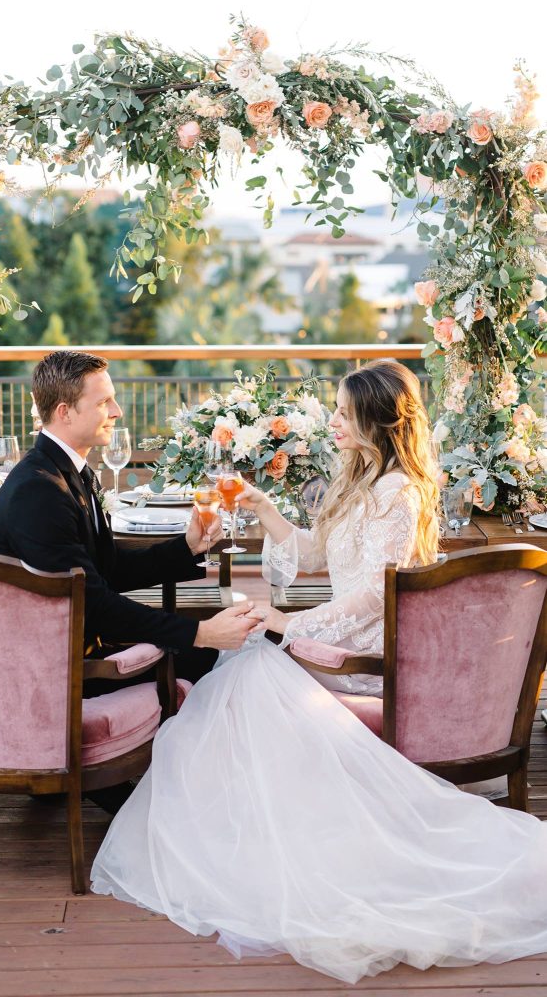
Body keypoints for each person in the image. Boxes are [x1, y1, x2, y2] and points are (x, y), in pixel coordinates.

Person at [91, 360, 547, 984]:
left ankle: (281, 847)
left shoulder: (400, 493)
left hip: (365, 655)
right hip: (339, 639)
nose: (332, 421)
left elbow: (369, 601)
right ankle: (269, 840)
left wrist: (288, 624)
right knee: (242, 669)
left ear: (376, 422)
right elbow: (312, 554)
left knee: (245, 677)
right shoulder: (364, 478)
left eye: (342, 413)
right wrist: (266, 508)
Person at [0, 351, 258, 811]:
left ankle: (190, 791)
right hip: (61, 671)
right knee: (218, 659)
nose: (116, 412)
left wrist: (188, 546)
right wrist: (199, 630)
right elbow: (94, 605)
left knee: (223, 654)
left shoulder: (68, 473)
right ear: (64, 412)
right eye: (104, 403)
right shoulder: (39, 491)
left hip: (80, 645)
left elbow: (106, 571)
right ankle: (182, 799)